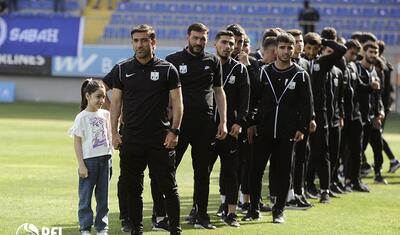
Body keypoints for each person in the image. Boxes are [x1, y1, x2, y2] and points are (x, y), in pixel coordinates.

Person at [110, 24, 183, 235]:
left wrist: (174, 131)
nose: (139, 45)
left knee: (168, 187)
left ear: (153, 42)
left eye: (144, 40)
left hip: (160, 139)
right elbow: (115, 104)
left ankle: (175, 230)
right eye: (136, 41)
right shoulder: (122, 69)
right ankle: (136, 230)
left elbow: (178, 103)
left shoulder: (167, 69)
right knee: (133, 189)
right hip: (131, 139)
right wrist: (114, 133)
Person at [165, 23, 227, 230]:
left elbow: (219, 91)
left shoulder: (213, 61)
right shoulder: (173, 61)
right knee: (168, 169)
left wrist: (223, 121)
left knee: (202, 172)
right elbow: (165, 94)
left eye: (203, 39)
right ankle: (163, 213)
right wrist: (168, 119)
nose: (199, 42)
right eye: (196, 38)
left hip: (205, 125)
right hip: (179, 126)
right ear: (188, 37)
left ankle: (201, 215)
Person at [245, 33, 313, 223]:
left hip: (286, 132)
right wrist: (251, 123)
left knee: (283, 171)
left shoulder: (301, 75)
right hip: (263, 130)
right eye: (282, 47)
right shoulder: (264, 71)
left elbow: (306, 105)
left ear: (293, 50)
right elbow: (253, 99)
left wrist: (301, 127)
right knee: (255, 170)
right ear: (276, 50)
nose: (286, 51)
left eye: (289, 48)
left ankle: (279, 211)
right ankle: (253, 209)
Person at [208, 30, 250, 227]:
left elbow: (245, 100)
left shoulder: (240, 70)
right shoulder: (206, 65)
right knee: (202, 172)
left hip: (230, 130)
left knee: (231, 172)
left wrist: (239, 122)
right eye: (224, 42)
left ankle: (231, 213)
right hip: (207, 129)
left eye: (231, 44)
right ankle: (198, 210)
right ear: (215, 44)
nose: (228, 47)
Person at [69, 79, 112, 235]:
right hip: (89, 162)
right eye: (98, 97)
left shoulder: (106, 114)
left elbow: (110, 136)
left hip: (106, 160)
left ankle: (102, 227)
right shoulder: (81, 117)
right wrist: (81, 164)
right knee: (85, 197)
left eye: (103, 97)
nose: (102, 100)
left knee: (103, 197)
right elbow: (77, 142)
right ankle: (85, 228)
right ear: (87, 96)